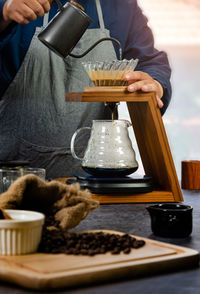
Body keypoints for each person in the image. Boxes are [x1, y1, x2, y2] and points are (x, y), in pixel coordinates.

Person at [0, 0, 172, 179]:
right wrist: (4, 11)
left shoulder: (123, 6)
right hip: (12, 181)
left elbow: (149, 62)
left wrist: (156, 84)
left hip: (95, 184)